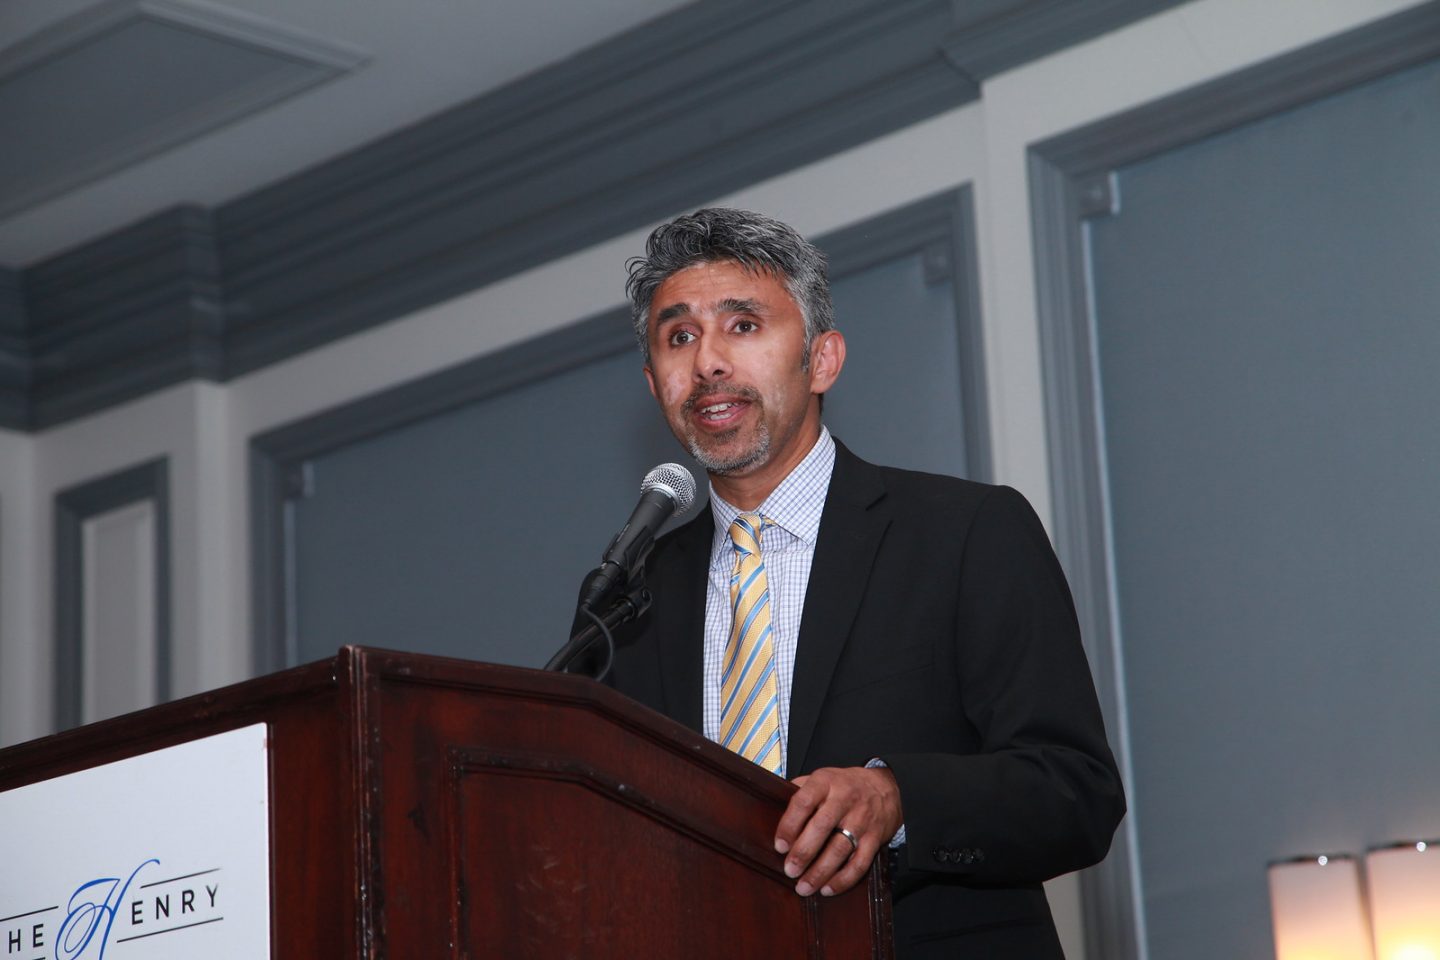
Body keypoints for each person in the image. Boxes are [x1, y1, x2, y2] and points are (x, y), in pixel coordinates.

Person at [607, 207, 1125, 958]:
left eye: (743, 325)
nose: (708, 362)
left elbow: (1075, 792)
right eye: (679, 337)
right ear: (655, 383)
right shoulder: (631, 597)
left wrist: (899, 797)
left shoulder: (964, 532)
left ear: (822, 360)